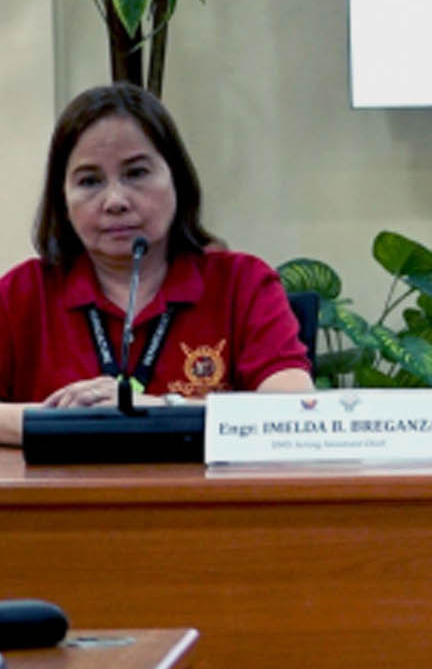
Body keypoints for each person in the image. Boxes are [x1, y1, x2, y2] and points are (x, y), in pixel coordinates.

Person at [0, 84, 313, 446]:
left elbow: (294, 410)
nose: (115, 201)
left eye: (136, 173)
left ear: (176, 179)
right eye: (89, 181)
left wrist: (161, 409)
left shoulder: (242, 283)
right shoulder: (22, 294)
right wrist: (64, 421)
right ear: (63, 199)